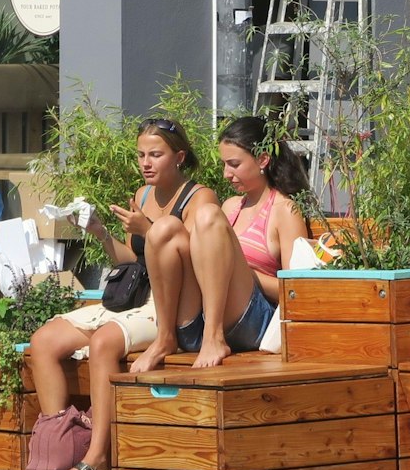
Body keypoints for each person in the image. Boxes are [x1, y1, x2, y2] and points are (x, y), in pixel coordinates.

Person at [23, 117, 217, 470]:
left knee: (104, 343)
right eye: (141, 155)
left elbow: (199, 261)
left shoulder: (200, 198)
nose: (146, 163)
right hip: (137, 294)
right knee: (43, 341)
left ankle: (98, 457)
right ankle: (58, 450)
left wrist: (149, 228)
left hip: (172, 303)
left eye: (156, 155)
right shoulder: (143, 195)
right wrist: (100, 232)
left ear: (178, 156)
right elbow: (132, 258)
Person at [131, 115, 308, 373]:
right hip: (200, 319)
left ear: (262, 160)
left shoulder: (284, 210)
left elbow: (295, 292)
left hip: (251, 322)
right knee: (164, 228)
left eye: (234, 164)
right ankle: (165, 336)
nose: (226, 174)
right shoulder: (231, 206)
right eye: (224, 164)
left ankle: (214, 337)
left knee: (207, 214)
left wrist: (244, 273)